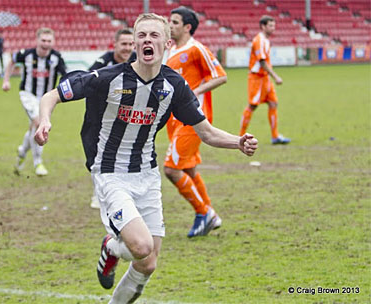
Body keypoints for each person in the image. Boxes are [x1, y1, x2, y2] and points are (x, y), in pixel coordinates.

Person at [34, 13, 258, 303]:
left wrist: (238, 142)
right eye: (142, 36)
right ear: (136, 44)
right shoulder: (109, 77)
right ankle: (112, 248)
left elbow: (206, 132)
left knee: (148, 263)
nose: (147, 40)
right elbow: (51, 96)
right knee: (140, 246)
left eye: (154, 35)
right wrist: (44, 121)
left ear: (166, 44)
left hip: (147, 175)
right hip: (110, 172)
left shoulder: (173, 86)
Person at [163, 6, 228, 238]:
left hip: (193, 119)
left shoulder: (196, 48)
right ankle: (210, 212)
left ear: (187, 27)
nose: (170, 25)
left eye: (175, 22)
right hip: (174, 120)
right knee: (188, 168)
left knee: (171, 169)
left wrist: (194, 91)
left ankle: (204, 213)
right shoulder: (170, 51)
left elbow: (221, 75)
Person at [2, 27, 66, 176]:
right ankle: (38, 162)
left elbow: (65, 75)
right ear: (37, 40)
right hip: (28, 94)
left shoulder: (57, 57)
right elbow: (12, 60)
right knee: (39, 123)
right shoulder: (27, 54)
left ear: (53, 42)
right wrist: (6, 80)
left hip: (47, 98)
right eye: (43, 40)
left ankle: (22, 152)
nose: (46, 43)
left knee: (35, 127)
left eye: (49, 41)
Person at [87, 28, 135, 209]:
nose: (128, 48)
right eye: (124, 44)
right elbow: (88, 81)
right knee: (99, 155)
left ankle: (126, 192)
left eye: (131, 44)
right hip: (101, 117)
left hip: (127, 117)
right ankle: (98, 193)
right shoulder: (103, 62)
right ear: (114, 44)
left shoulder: (138, 61)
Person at [239, 15, 291, 145]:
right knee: (252, 106)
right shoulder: (259, 40)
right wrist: (276, 76)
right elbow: (262, 61)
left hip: (265, 78)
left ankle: (275, 136)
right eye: (271, 25)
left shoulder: (266, 40)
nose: (273, 28)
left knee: (273, 103)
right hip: (257, 78)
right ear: (263, 26)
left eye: (274, 25)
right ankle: (239, 136)